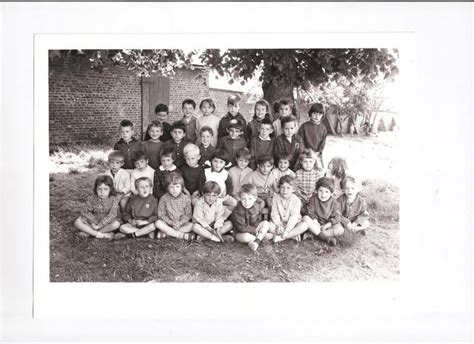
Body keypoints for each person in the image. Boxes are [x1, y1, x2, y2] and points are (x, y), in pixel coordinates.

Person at [230, 184, 275, 251]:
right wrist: (255, 231)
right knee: (246, 237)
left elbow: (258, 219)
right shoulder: (238, 210)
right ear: (240, 198)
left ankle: (256, 242)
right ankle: (260, 238)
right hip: (240, 232)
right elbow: (241, 228)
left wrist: (256, 228)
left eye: (250, 199)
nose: (247, 202)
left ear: (255, 198)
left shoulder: (256, 206)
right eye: (243, 199)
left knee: (266, 223)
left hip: (254, 229)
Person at [74, 175, 120, 239]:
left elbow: (112, 215)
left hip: (105, 224)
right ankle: (102, 235)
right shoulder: (92, 198)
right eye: (99, 189)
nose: (102, 192)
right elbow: (85, 211)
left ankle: (89, 233)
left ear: (110, 189)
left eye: (105, 189)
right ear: (96, 189)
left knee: (116, 224)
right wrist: (93, 222)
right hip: (92, 223)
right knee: (77, 221)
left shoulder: (113, 200)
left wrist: (99, 225)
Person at [302, 177, 344, 246]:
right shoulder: (313, 199)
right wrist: (315, 222)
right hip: (315, 224)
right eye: (320, 191)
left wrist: (327, 225)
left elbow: (337, 216)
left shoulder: (334, 203)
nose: (323, 194)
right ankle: (325, 238)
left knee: (340, 229)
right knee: (305, 218)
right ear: (316, 190)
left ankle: (313, 236)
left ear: (331, 193)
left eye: (326, 192)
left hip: (327, 225)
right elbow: (310, 212)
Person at [155, 172, 195, 241]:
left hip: (181, 225)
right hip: (168, 223)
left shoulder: (186, 199)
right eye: (171, 187)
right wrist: (171, 223)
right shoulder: (163, 198)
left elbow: (188, 215)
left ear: (182, 187)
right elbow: (161, 214)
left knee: (192, 225)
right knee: (158, 223)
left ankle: (167, 233)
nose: (174, 189)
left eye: (177, 187)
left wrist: (180, 223)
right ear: (167, 187)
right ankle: (180, 235)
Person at [198, 149, 237, 218]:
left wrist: (226, 196)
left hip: (220, 199)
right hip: (207, 198)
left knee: (233, 202)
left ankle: (222, 218)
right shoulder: (206, 172)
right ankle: (205, 218)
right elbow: (201, 186)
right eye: (215, 161)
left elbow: (230, 187)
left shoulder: (226, 174)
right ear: (211, 161)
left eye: (221, 162)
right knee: (195, 201)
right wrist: (204, 196)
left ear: (225, 163)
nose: (218, 165)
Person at [271, 175, 308, 243]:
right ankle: (293, 235)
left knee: (304, 225)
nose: (285, 190)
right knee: (268, 225)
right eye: (282, 187)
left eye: (288, 188)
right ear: (279, 188)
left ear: (293, 189)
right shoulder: (275, 198)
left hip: (293, 224)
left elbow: (294, 217)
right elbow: (274, 214)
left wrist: (287, 230)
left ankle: (284, 237)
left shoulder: (296, 200)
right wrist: (278, 225)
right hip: (280, 223)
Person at [298, 103, 328, 168]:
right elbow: (300, 141)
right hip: (305, 155)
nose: (317, 116)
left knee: (319, 170)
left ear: (322, 116)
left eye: (319, 114)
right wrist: (305, 152)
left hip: (317, 155)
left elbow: (323, 143)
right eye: (314, 114)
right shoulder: (304, 126)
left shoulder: (323, 128)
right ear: (310, 114)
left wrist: (318, 152)